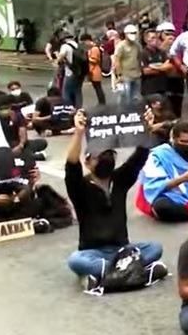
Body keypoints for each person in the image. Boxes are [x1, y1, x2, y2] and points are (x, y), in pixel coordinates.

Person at [64, 110, 166, 288]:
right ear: (87, 162)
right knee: (76, 261)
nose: (106, 157)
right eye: (99, 155)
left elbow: (140, 156)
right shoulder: (79, 186)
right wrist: (79, 132)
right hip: (93, 252)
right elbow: (71, 164)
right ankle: (136, 272)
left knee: (155, 247)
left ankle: (107, 277)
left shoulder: (120, 180)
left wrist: (146, 128)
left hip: (123, 250)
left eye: (109, 153)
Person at [140, 121, 188, 223]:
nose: (187, 145)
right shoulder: (159, 154)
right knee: (161, 206)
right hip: (168, 194)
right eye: (183, 141)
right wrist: (182, 178)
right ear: (174, 139)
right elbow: (156, 185)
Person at [157, 22, 186, 117]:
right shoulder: (156, 47)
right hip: (164, 80)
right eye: (167, 34)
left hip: (178, 78)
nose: (170, 37)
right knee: (167, 106)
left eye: (172, 34)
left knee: (178, 104)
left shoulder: (178, 45)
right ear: (160, 34)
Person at [112, 24, 142, 105]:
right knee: (125, 97)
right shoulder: (121, 46)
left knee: (135, 97)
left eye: (134, 33)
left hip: (136, 74)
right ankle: (123, 112)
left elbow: (139, 57)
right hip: (125, 76)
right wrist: (119, 75)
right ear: (125, 34)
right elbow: (117, 60)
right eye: (131, 33)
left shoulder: (137, 45)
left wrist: (140, 70)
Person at [58, 31, 87, 108]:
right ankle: (79, 108)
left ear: (64, 39)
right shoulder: (78, 45)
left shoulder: (65, 46)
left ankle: (68, 108)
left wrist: (58, 58)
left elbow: (60, 58)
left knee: (66, 92)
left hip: (70, 72)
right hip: (81, 72)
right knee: (78, 91)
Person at [140, 29, 172, 97]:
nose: (155, 40)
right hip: (149, 90)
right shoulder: (143, 53)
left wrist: (153, 67)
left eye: (156, 37)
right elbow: (145, 71)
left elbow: (169, 66)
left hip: (163, 88)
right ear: (146, 40)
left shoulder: (161, 52)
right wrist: (162, 68)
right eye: (152, 38)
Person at [84, 33, 106, 105]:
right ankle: (100, 101)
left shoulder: (95, 49)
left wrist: (88, 58)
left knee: (98, 87)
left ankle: (102, 101)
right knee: (96, 87)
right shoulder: (90, 49)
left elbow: (95, 60)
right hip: (92, 70)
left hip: (95, 70)